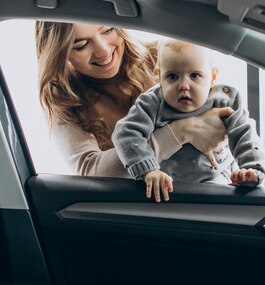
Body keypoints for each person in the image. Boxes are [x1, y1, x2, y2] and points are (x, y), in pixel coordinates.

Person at [35, 22, 233, 177]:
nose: (103, 51)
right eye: (82, 45)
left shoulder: (164, 57)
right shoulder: (62, 97)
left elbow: (218, 122)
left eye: (108, 30)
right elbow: (90, 170)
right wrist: (180, 132)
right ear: (60, 54)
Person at [113, 39, 265, 202]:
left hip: (215, 180)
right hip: (167, 186)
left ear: (213, 77)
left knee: (222, 203)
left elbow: (245, 134)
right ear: (159, 77)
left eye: (195, 75)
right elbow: (126, 134)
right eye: (172, 76)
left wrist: (251, 169)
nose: (184, 85)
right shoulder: (152, 102)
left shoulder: (225, 100)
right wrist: (148, 170)